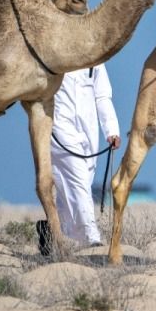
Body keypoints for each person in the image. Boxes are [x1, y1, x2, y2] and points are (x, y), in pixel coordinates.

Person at [47, 62, 121, 249]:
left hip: (89, 129)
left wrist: (111, 129)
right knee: (77, 180)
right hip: (58, 125)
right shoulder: (53, 49)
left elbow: (102, 95)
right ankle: (91, 237)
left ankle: (55, 236)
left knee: (73, 188)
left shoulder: (95, 56)